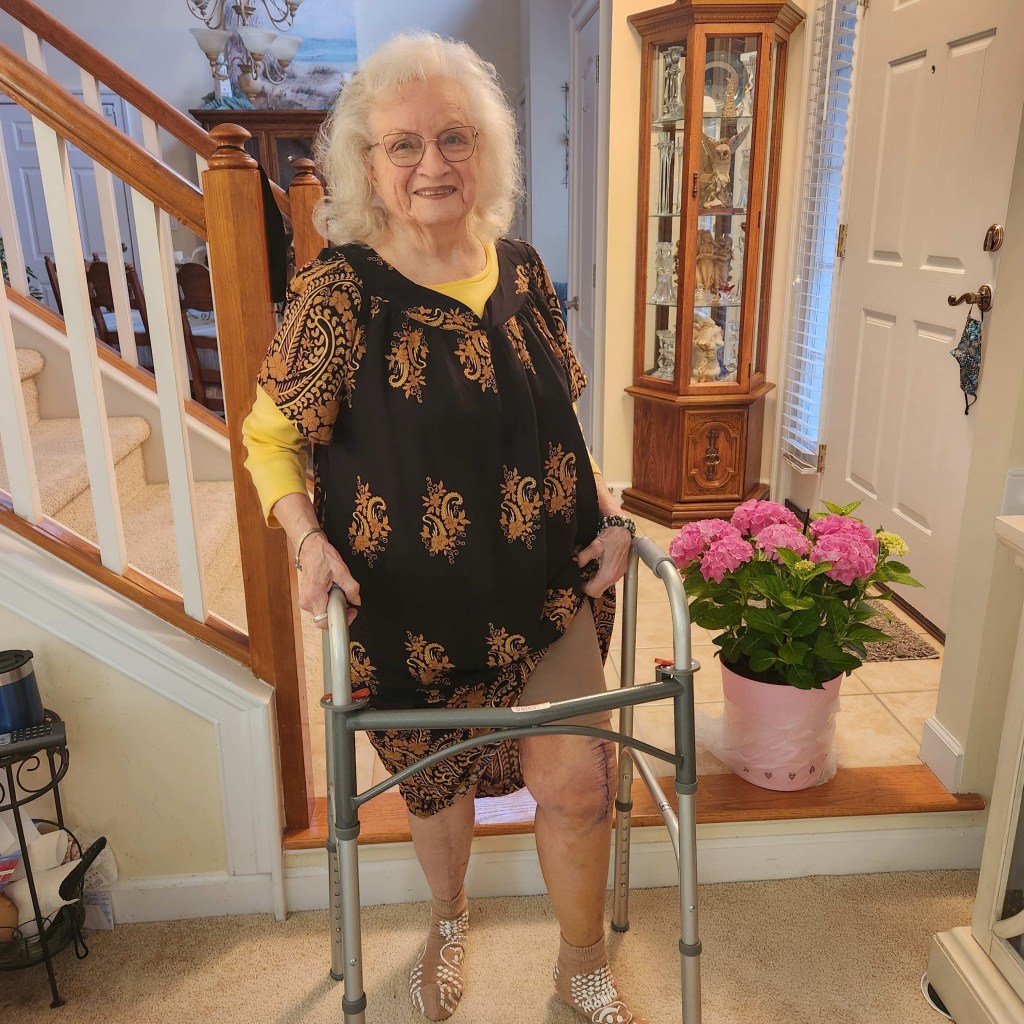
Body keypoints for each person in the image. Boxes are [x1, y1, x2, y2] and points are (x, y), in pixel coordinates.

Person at [242, 32, 646, 1024]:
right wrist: (306, 539)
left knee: (580, 782)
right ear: (368, 164)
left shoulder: (524, 269)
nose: (432, 163)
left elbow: (562, 419)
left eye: (454, 137)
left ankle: (581, 966)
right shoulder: (338, 291)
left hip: (545, 585)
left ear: (486, 150)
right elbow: (268, 438)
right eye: (404, 144)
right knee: (438, 792)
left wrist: (608, 511)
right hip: (407, 606)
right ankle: (449, 918)